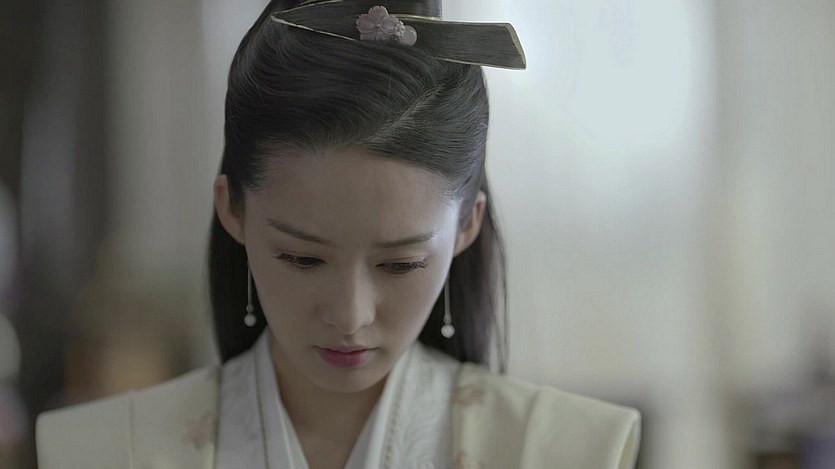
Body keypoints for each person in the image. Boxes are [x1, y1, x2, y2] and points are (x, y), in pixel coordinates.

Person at [36, 1, 641, 467]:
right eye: (302, 257)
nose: (350, 317)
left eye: (400, 263)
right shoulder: (105, 451)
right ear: (233, 209)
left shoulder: (567, 450)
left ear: (467, 225)